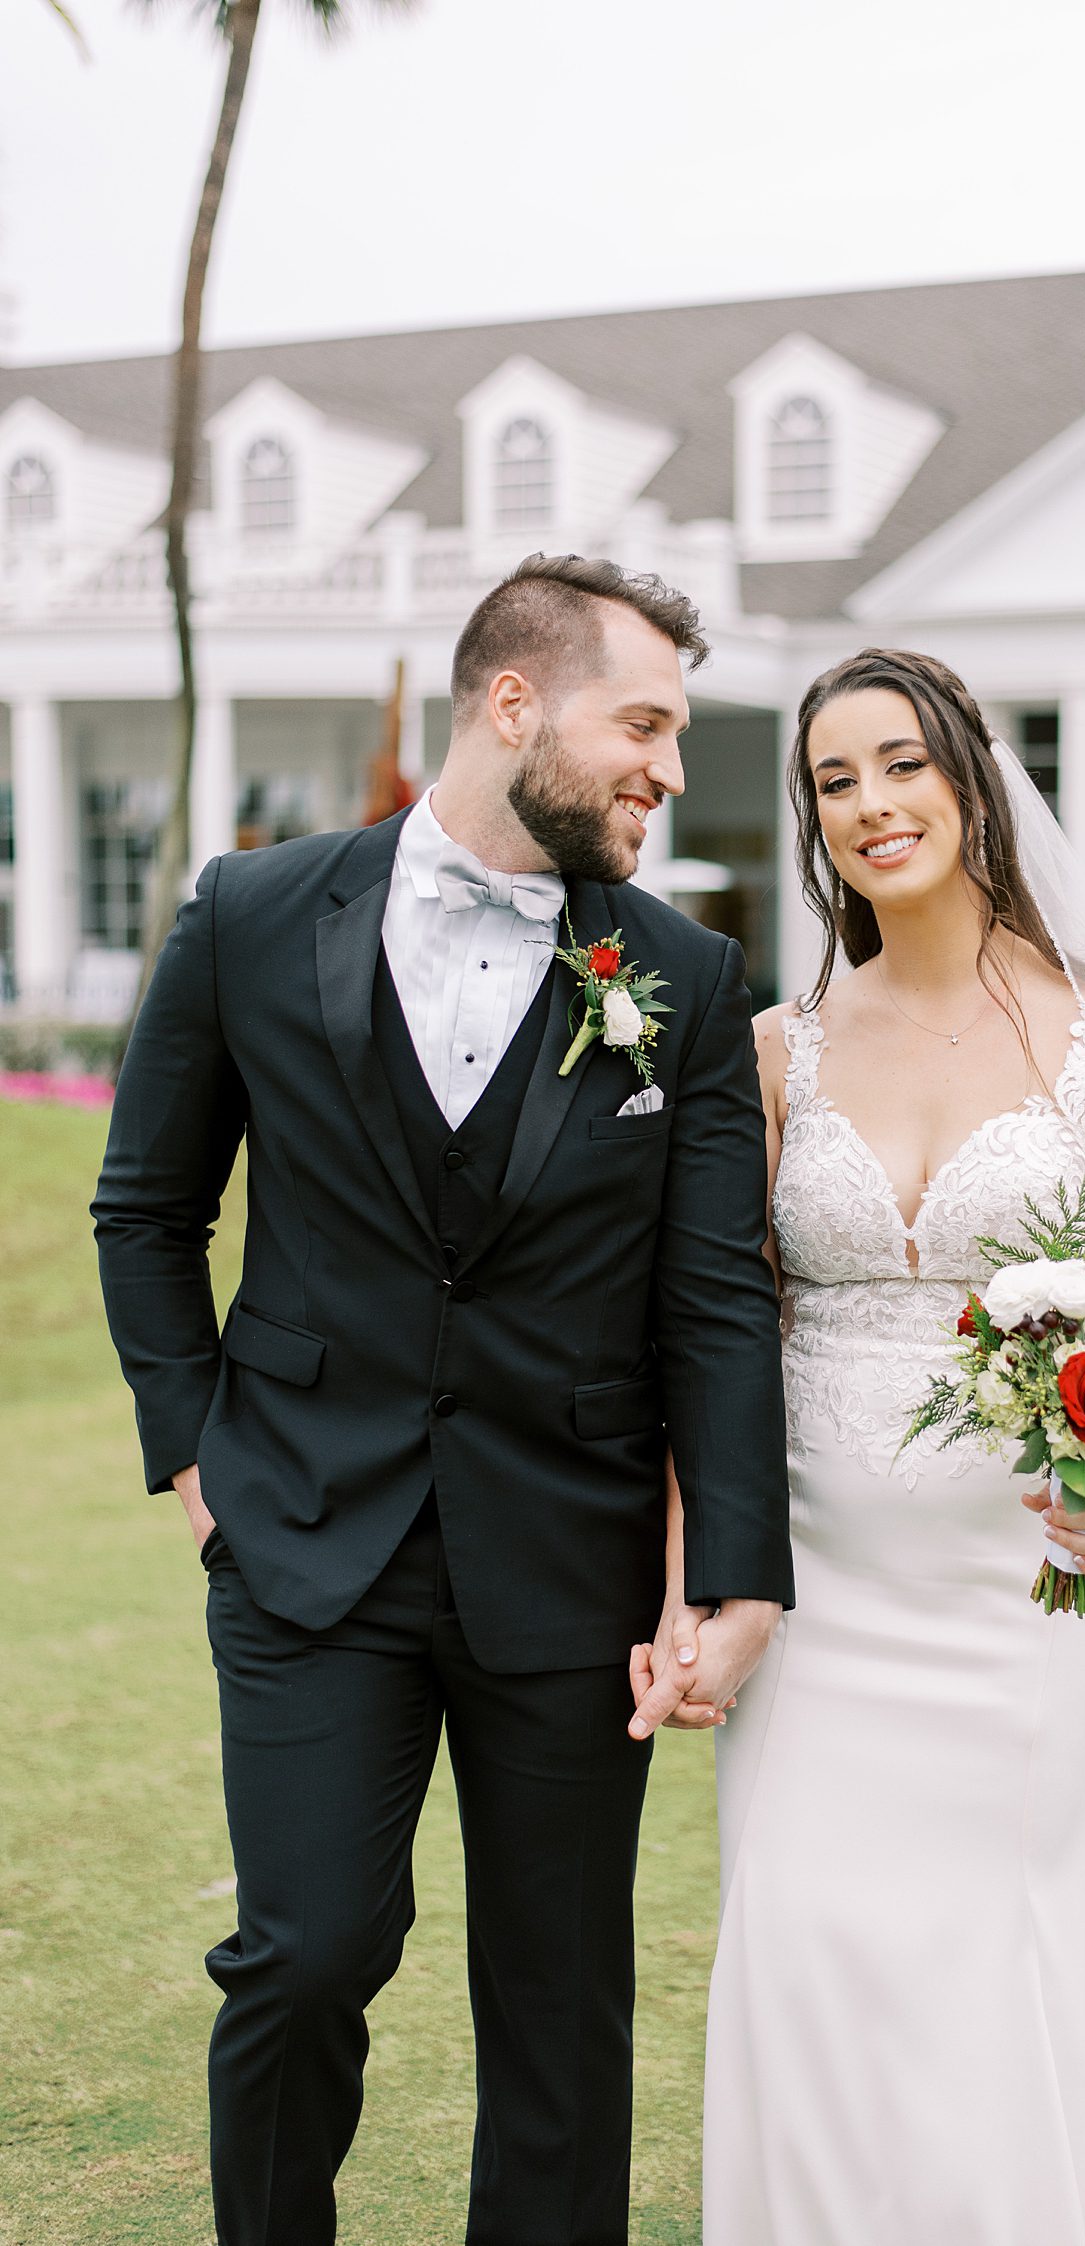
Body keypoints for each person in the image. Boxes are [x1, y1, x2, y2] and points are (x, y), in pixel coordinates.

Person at [91, 553, 793, 2246]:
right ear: (514, 703)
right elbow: (146, 1204)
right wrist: (192, 1443)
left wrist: (740, 1571)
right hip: (305, 1536)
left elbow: (711, 1294)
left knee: (559, 1998)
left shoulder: (682, 980)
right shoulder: (252, 912)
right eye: (644, 723)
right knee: (302, 1954)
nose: (669, 769)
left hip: (568, 1561)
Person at [631, 647, 1085, 2246]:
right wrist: (694, 1577)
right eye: (832, 779)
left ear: (969, 774)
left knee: (983, 1929)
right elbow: (718, 1343)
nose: (871, 804)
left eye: (899, 763)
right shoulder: (778, 1049)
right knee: (805, 1927)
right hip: (812, 1588)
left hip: (1021, 1589)